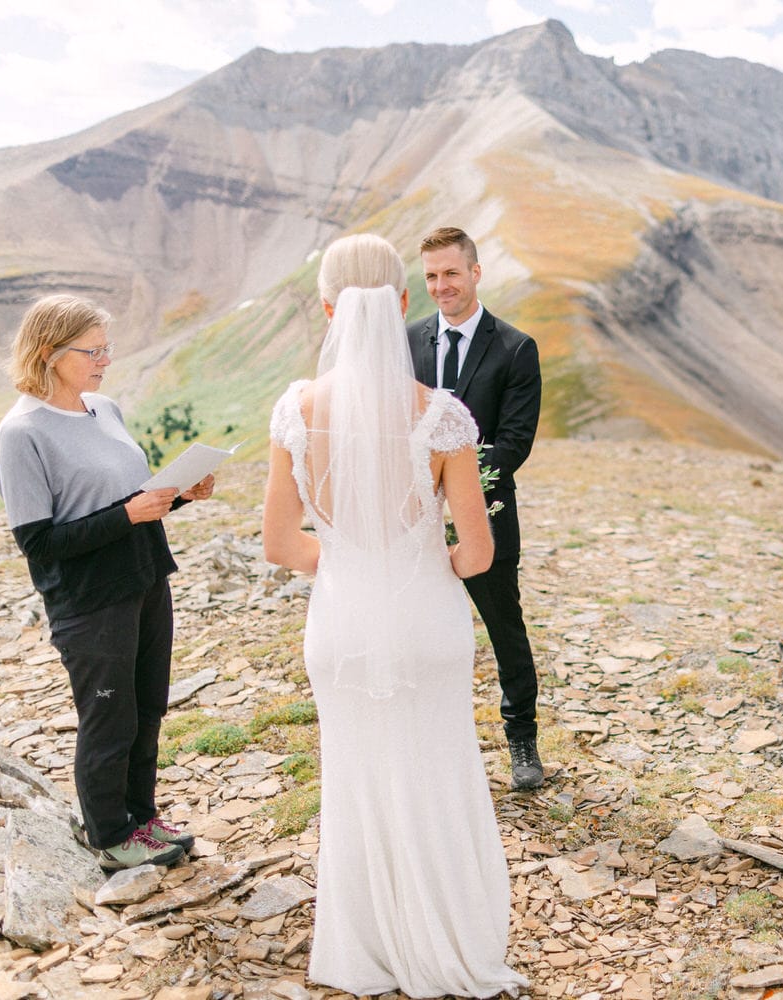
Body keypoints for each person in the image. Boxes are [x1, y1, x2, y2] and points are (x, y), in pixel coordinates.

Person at [263, 233, 526, 998]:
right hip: (427, 628)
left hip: (342, 625)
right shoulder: (441, 415)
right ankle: (451, 938)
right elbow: (476, 555)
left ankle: (369, 948)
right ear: (403, 304)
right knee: (439, 775)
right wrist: (414, 567)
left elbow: (281, 544)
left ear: (327, 310)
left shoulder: (295, 411)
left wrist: (351, 565)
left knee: (359, 780)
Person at [0, 294, 213, 870]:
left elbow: (130, 500)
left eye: (105, 348)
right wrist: (127, 515)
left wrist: (181, 495)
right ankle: (109, 834)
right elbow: (37, 543)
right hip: (90, 602)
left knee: (147, 706)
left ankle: (142, 818)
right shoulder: (21, 434)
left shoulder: (104, 408)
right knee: (109, 714)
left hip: (145, 577)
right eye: (92, 350)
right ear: (49, 353)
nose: (104, 361)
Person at [406, 227, 546, 791]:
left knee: (504, 629)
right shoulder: (405, 340)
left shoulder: (515, 348)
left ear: (476, 272)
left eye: (451, 273)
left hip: (485, 516)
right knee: (416, 632)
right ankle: (426, 745)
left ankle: (522, 741)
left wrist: (450, 488)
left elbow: (513, 444)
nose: (442, 286)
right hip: (411, 521)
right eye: (432, 276)